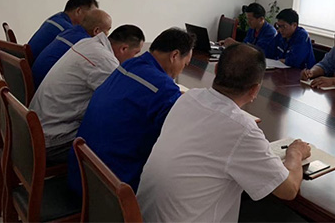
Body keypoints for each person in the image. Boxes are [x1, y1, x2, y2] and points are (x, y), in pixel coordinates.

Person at [137, 43, 311, 223]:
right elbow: (288, 190)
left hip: (143, 216)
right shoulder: (242, 129)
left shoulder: (188, 98)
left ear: (216, 70)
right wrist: (295, 153)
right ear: (255, 89)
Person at [67, 27, 194, 194]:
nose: (181, 70)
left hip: (82, 170)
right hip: (110, 189)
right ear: (174, 55)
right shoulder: (164, 88)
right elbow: (177, 139)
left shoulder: (128, 65)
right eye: (184, 64)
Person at [29, 25, 145, 165]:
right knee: (125, 143)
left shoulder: (88, 43)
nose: (135, 59)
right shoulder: (104, 60)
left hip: (37, 127)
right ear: (124, 49)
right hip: (52, 141)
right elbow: (122, 103)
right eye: (136, 53)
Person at [31, 9, 112, 88]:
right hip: (41, 84)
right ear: (97, 31)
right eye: (108, 30)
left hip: (37, 79)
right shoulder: (84, 44)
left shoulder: (69, 32)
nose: (108, 35)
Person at [28, 0, 99, 60]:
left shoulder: (56, 18)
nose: (93, 19)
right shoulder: (67, 30)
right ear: (78, 11)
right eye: (92, 14)